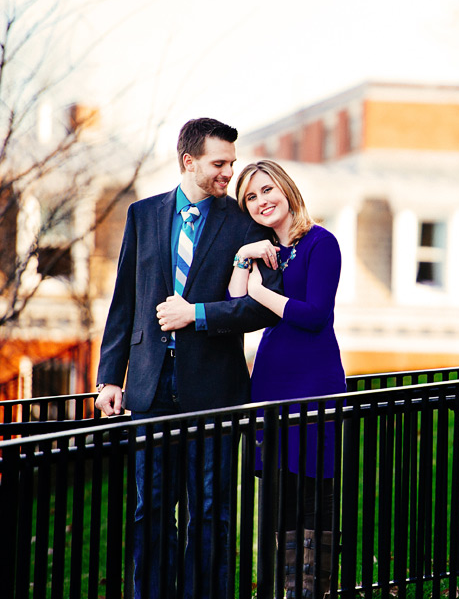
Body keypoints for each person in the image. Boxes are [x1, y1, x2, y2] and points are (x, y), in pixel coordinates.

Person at [94, 118, 282, 599]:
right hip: (150, 388)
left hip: (214, 388)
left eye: (231, 163)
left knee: (210, 510)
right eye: (219, 164)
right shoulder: (142, 215)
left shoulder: (243, 223)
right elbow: (125, 302)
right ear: (188, 161)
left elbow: (259, 308)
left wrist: (196, 314)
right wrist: (109, 378)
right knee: (150, 508)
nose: (228, 173)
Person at [230, 159, 347, 599]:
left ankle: (313, 590)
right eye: (251, 198)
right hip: (272, 383)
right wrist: (244, 257)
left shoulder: (321, 243)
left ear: (285, 188)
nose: (261, 201)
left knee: (314, 492)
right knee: (279, 497)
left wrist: (263, 292)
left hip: (313, 380)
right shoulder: (264, 253)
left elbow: (316, 315)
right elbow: (236, 304)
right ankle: (281, 589)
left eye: (266, 190)